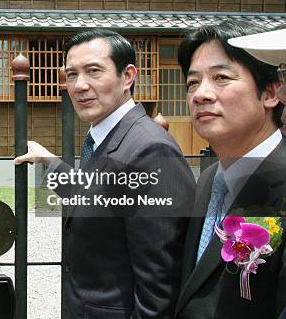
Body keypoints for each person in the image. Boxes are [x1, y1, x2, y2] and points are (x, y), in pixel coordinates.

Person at [14, 29, 195, 318]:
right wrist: (49, 161)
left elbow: (159, 289)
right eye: (72, 75)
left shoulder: (150, 152)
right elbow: (98, 197)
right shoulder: (107, 137)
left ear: (127, 77)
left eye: (93, 71)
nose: (80, 85)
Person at [174, 21, 285, 319]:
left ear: (271, 93)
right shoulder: (210, 178)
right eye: (192, 82)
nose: (201, 94)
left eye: (221, 77)